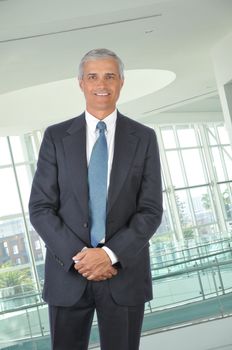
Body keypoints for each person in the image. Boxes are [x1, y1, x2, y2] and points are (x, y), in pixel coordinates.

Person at [29, 48, 163, 350]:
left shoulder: (144, 138)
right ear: (81, 83)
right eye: (92, 76)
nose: (101, 84)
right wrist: (82, 256)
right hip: (68, 274)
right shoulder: (55, 137)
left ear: (121, 82)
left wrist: (109, 255)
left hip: (123, 273)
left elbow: (151, 210)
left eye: (109, 76)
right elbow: (40, 208)